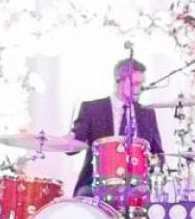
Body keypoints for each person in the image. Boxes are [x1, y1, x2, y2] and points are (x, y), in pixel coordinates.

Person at [68, 57, 164, 198]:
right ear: (118, 80)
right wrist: (68, 140)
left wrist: (155, 166)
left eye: (141, 84)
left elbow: (158, 154)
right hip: (95, 182)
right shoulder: (92, 109)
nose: (139, 90)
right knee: (84, 196)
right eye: (134, 84)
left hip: (136, 184)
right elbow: (74, 144)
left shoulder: (147, 113)